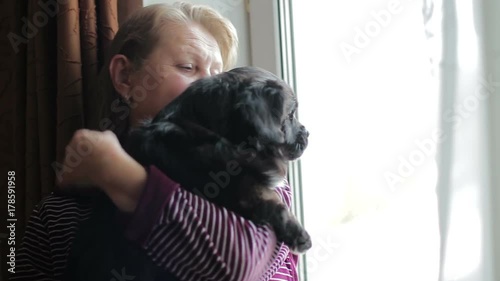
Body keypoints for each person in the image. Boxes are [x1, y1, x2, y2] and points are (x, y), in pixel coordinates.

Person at [12, 2, 299, 281]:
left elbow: (239, 265)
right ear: (125, 77)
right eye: (188, 67)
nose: (211, 87)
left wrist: (124, 179)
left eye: (219, 75)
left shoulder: (256, 176)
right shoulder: (58, 216)